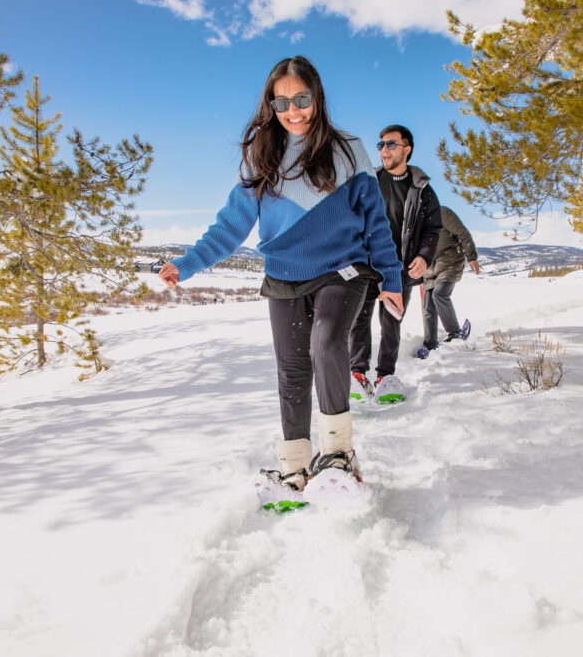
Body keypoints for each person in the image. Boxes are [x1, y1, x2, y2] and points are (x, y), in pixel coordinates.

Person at [158, 56, 404, 494]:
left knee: (327, 343)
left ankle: (337, 452)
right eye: (282, 102)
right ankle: (295, 464)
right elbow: (231, 225)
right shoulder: (262, 155)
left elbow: (375, 220)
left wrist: (390, 277)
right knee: (291, 368)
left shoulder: (347, 147)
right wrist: (189, 263)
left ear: (317, 97)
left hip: (342, 269)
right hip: (284, 275)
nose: (293, 110)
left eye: (302, 99)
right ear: (271, 105)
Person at [348, 124, 442, 402]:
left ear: (406, 149)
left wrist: (425, 256)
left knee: (391, 321)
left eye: (390, 144)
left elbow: (433, 229)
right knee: (358, 320)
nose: (384, 150)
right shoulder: (369, 181)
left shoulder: (422, 189)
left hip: (400, 268)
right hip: (365, 264)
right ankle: (357, 375)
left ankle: (385, 377)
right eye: (381, 145)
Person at [419, 206, 481, 356]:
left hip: (450, 260)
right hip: (429, 267)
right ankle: (430, 343)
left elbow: (464, 234)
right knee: (428, 304)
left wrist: (472, 257)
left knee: (439, 294)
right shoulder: (413, 221)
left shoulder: (442, 213)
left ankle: (454, 332)